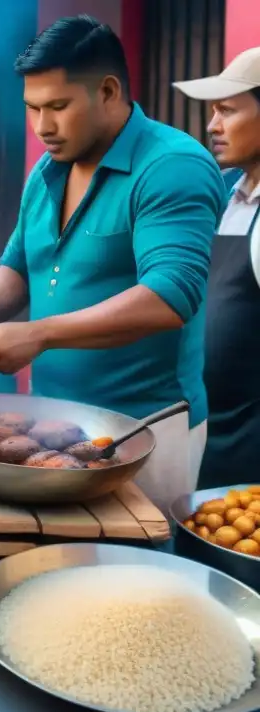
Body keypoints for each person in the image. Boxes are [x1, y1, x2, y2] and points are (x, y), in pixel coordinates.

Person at [0, 16, 225, 511]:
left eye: (58, 106)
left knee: (133, 578)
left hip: (143, 430)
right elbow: (18, 261)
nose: (41, 127)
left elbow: (170, 295)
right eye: (32, 108)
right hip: (52, 423)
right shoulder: (48, 168)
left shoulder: (173, 165)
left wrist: (40, 332)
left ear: (109, 91)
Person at [174, 48, 260, 489]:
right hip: (201, 430)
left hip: (250, 446)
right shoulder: (223, 192)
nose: (212, 126)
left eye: (227, 110)